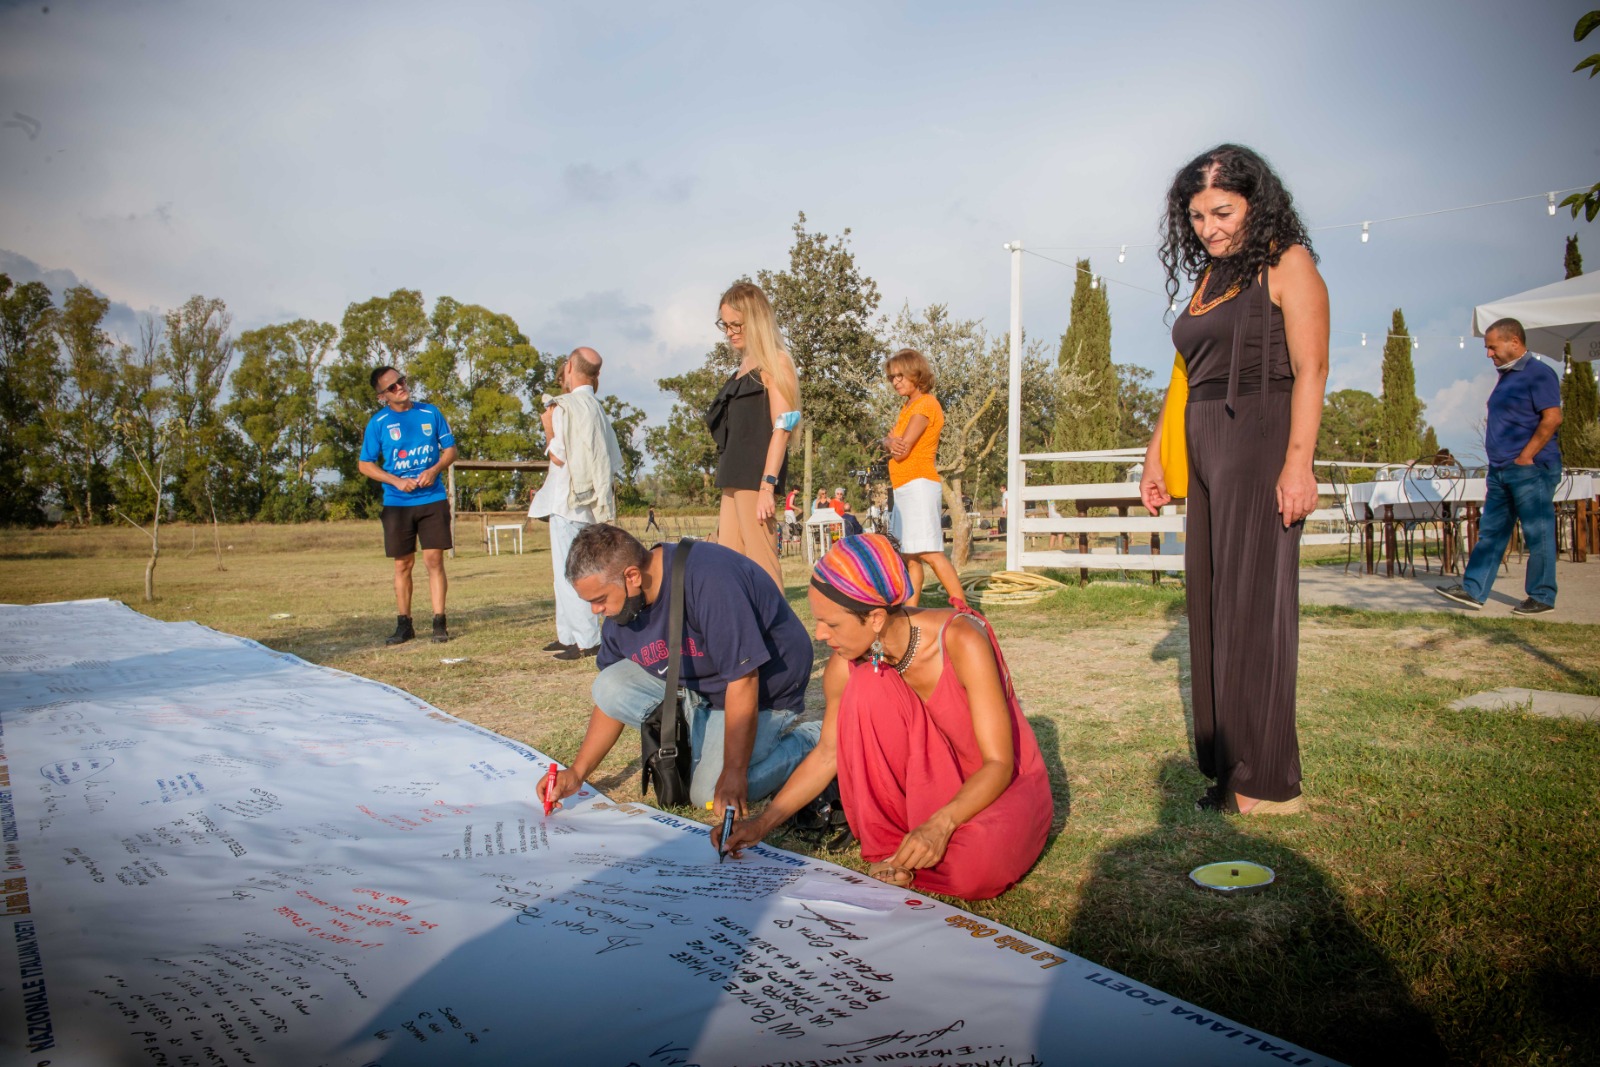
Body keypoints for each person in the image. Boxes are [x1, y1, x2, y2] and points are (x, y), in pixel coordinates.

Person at [1139, 144, 1328, 816]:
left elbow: (1311, 368)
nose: (1210, 227)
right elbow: (1187, 373)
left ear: (1256, 200)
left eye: (1222, 211)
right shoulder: (1209, 279)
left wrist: (1298, 463)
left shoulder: (1287, 262)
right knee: (1215, 605)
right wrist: (1157, 454)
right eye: (1196, 217)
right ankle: (1230, 762)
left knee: (1256, 607)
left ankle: (1270, 780)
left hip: (1260, 437)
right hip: (1206, 442)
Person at [718, 534, 1052, 900]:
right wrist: (762, 825)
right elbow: (828, 753)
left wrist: (941, 824)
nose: (819, 634)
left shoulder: (962, 640)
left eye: (832, 624)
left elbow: (999, 763)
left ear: (875, 617)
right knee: (867, 683)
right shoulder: (847, 665)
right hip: (927, 791)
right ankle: (897, 844)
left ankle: (925, 844)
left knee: (974, 871)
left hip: (992, 784)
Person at [543, 524, 821, 816]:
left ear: (632, 576)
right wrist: (577, 772)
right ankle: (702, 723)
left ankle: (812, 740)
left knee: (708, 795)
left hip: (764, 684)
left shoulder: (710, 580)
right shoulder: (623, 605)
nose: (595, 611)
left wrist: (735, 771)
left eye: (599, 600)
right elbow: (610, 698)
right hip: (701, 684)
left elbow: (744, 679)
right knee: (607, 684)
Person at [1436, 318, 1563, 615]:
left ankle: (1542, 596)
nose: (1488, 354)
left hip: (1531, 469)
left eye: (1492, 347)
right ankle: (1473, 590)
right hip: (1502, 470)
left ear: (1514, 342)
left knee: (1538, 532)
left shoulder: (1539, 374)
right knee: (1492, 532)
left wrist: (1526, 457)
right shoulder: (1507, 377)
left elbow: (1553, 417)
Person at [703, 282, 800, 591]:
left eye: (736, 324)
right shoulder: (742, 368)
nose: (730, 332)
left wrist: (767, 486)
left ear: (755, 320)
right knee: (728, 569)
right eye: (725, 325)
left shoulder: (776, 362)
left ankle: (781, 640)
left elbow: (782, 429)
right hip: (732, 480)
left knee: (763, 571)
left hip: (756, 481)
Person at [529, 348, 622, 660]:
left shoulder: (565, 406)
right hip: (587, 499)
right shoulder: (595, 407)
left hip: (568, 500)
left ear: (569, 367)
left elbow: (558, 454)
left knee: (570, 571)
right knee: (565, 571)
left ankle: (586, 638)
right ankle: (568, 634)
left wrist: (548, 426)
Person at [358, 367, 458, 645]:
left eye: (400, 381)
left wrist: (435, 468)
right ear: (382, 396)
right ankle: (404, 624)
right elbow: (365, 464)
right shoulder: (378, 423)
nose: (400, 387)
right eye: (392, 387)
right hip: (397, 503)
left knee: (434, 560)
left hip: (432, 499)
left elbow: (450, 450)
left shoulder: (431, 413)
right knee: (403, 564)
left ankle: (439, 622)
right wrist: (394, 480)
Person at [882, 348, 965, 605]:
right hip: (904, 488)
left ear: (916, 374)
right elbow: (890, 441)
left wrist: (891, 442)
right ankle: (911, 612)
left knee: (930, 552)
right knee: (909, 555)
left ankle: (963, 609)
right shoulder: (907, 407)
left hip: (919, 485)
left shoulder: (926, 404)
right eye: (891, 377)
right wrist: (888, 441)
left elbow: (901, 449)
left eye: (900, 375)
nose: (895, 381)